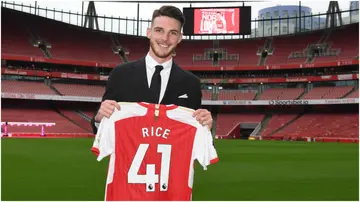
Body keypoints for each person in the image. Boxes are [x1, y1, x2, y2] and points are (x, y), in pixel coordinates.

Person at [91, 5, 213, 134]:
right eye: (159, 30)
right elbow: (101, 131)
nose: (165, 38)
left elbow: (195, 138)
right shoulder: (120, 74)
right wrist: (99, 119)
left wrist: (205, 127)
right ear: (149, 32)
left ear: (179, 38)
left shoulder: (191, 83)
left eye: (173, 33)